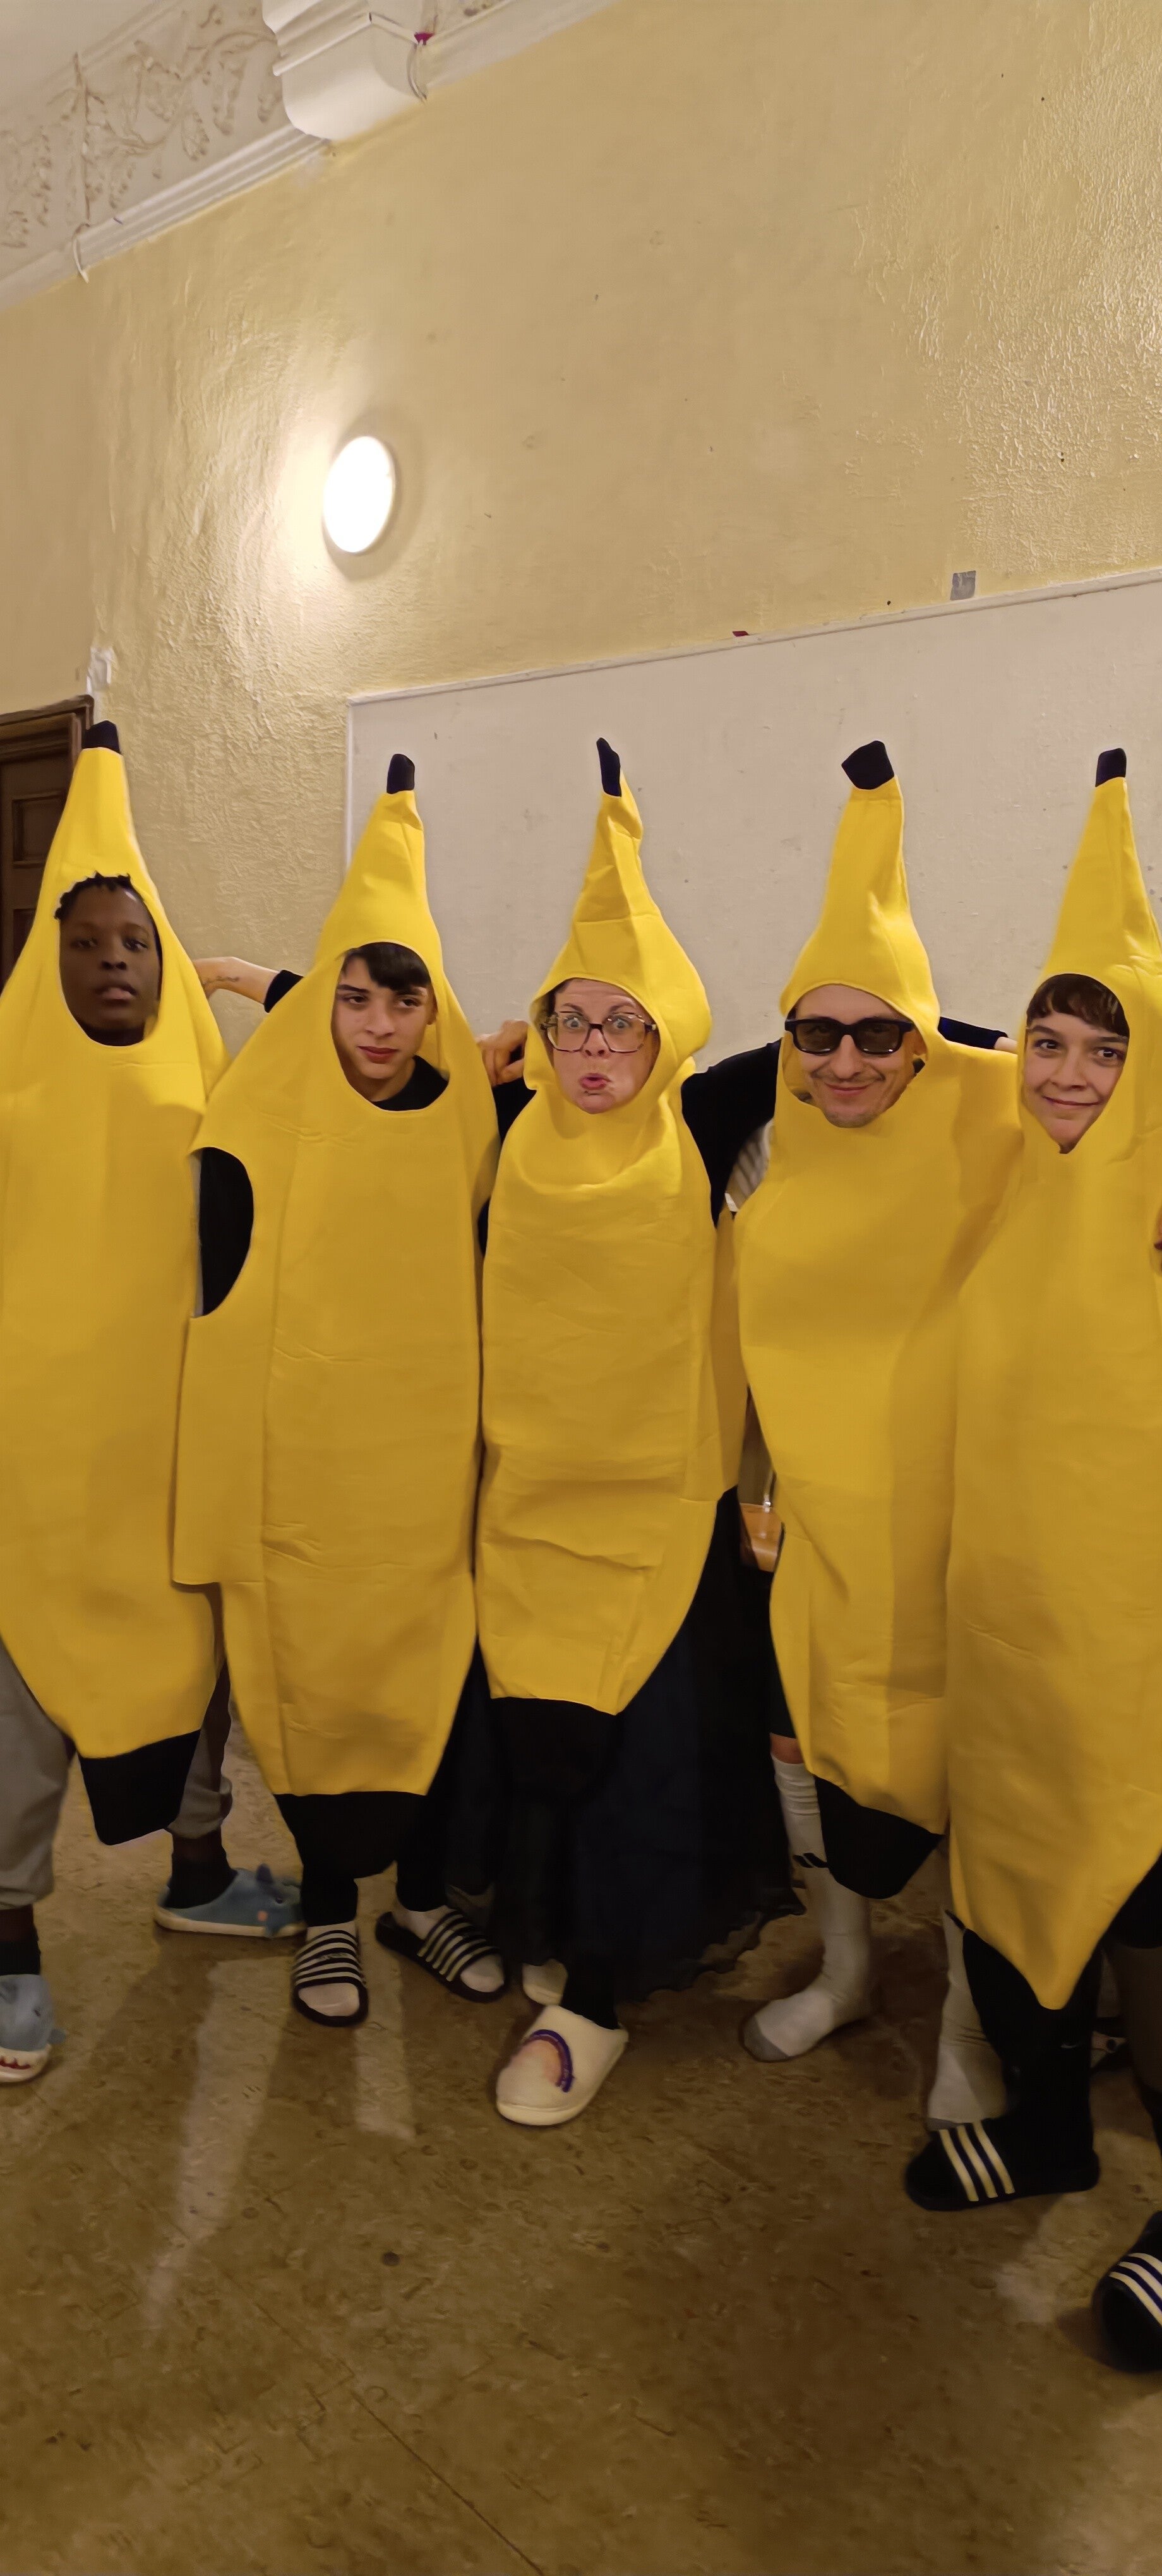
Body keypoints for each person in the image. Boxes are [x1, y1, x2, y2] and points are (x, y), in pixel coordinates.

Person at [469, 740, 796, 2129]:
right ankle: (542, 1931)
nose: (595, 1049)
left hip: (659, 1515)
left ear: (668, 1033)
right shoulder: (502, 1121)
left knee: (641, 1755)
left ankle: (598, 1991)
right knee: (539, 1731)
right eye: (573, 1021)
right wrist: (249, 980)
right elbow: (351, 1072)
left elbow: (874, 1035)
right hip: (523, 1504)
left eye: (623, 1023)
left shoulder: (702, 1122)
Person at [902, 752, 1162, 2375]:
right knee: (1006, 1903)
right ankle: (1050, 2136)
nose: (1065, 1075)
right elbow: (865, 1040)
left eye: (1105, 1047)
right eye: (1046, 1041)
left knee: (1148, 1923)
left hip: (1138, 1662)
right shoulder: (1008, 1172)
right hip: (1008, 1643)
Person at [175, 757, 506, 2029]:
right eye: (353, 998)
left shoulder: (468, 1110)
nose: (375, 1025)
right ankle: (327, 1914)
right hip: (300, 1471)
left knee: (427, 1684)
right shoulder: (263, 1111)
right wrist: (232, 977)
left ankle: (416, 1903)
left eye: (402, 1002)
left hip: (426, 1474)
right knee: (312, 1693)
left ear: (433, 1014)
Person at [0, 724, 298, 2089]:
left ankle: (200, 1872)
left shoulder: (211, 1093)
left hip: (176, 1471)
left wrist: (250, 982)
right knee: (19, 1728)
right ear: (48, 961)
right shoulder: (7, 1099)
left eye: (137, 942)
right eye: (87, 943)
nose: (114, 961)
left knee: (192, 1688)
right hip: (37, 1486)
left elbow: (368, 1061)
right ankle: (8, 1948)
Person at [733, 741, 1021, 2125]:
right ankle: (845, 1971)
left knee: (966, 1782)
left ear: (923, 1037)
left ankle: (968, 2024)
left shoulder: (997, 1121)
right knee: (814, 1755)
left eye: (876, 1033)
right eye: (817, 1033)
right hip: (814, 1537)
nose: (844, 1060)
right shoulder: (765, 1144)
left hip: (959, 1531)